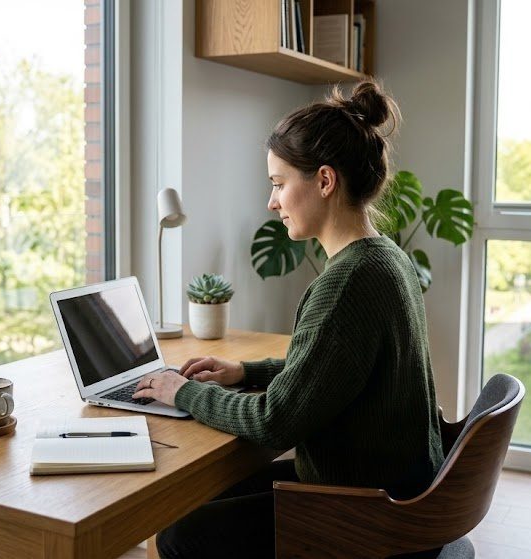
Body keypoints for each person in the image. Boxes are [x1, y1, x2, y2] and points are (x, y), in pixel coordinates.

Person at [132, 80, 445, 559]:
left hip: (367, 518)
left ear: (324, 181)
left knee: (180, 534)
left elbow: (276, 421)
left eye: (279, 184)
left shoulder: (349, 281)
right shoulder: (386, 258)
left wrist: (185, 392)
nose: (271, 202)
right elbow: (335, 367)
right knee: (203, 499)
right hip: (399, 497)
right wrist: (245, 372)